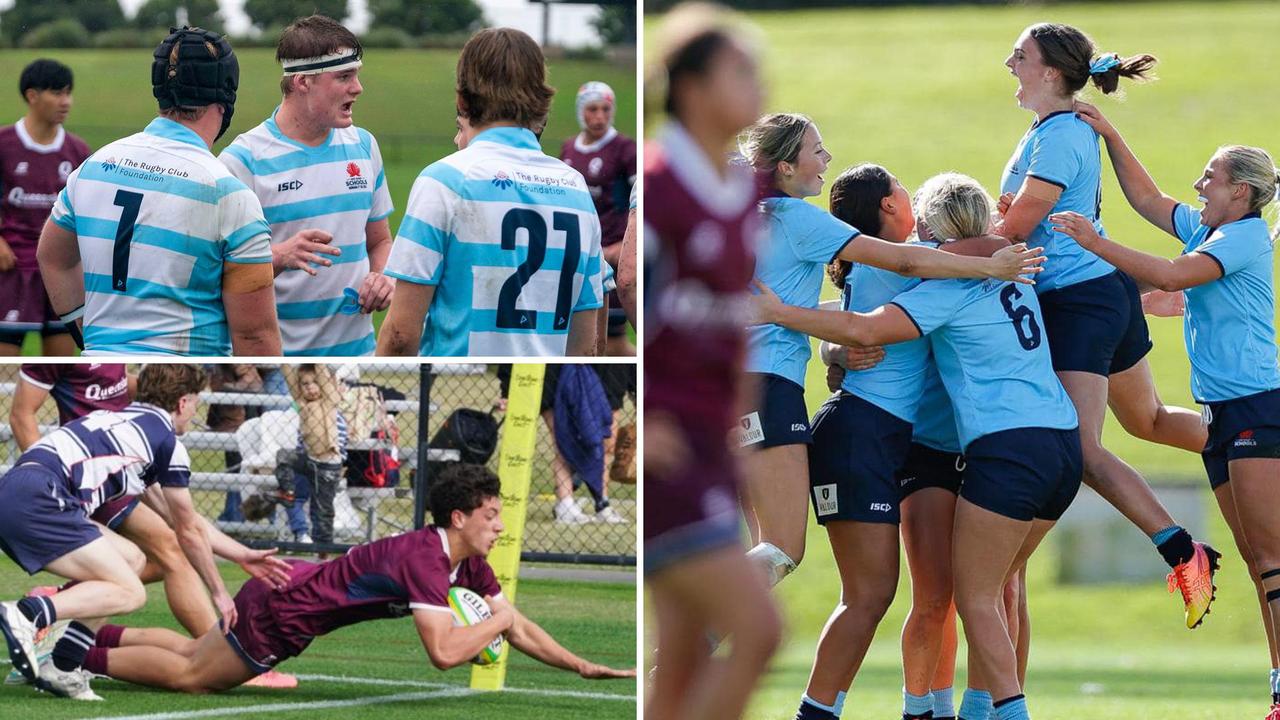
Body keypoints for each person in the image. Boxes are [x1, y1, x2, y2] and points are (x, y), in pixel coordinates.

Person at [753, 173, 1082, 720]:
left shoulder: (912, 259)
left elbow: (857, 317)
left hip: (889, 436)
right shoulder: (908, 259)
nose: (915, 201)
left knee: (909, 596)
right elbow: (868, 317)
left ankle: (917, 711)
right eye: (905, 190)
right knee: (871, 596)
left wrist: (831, 348)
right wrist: (827, 343)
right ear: (890, 205)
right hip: (861, 433)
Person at [737, 112, 1042, 593]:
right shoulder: (794, 216)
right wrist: (991, 263)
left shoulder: (741, 212)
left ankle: (683, 661)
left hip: (731, 382)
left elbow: (831, 307)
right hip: (769, 382)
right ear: (785, 167)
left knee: (759, 545)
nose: (826, 159)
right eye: (817, 150)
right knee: (781, 549)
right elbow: (902, 259)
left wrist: (829, 347)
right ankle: (677, 646)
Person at [1050, 104, 1280, 718]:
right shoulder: (1211, 229)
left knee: (1272, 558)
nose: (1199, 185)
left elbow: (1176, 274)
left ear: (1242, 192)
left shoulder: (1243, 235)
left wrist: (1095, 243)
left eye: (1211, 177)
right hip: (1225, 413)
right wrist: (1109, 132)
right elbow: (1148, 199)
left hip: (1257, 405)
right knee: (1261, 563)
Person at [994, 22, 1217, 627]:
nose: (1009, 62)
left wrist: (932, 254)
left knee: (1083, 452)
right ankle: (1253, 442)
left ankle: (1184, 552)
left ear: (1050, 71)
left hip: (1079, 303)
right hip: (1100, 295)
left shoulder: (1059, 134)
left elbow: (1015, 230)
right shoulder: (1053, 130)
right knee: (1147, 421)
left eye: (1021, 55)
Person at [65, 463, 634, 694]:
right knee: (196, 677)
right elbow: (443, 652)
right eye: (492, 515)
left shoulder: (466, 562)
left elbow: (520, 629)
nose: (501, 525)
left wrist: (580, 664)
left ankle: (82, 636)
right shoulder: (427, 561)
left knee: (195, 651)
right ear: (459, 518)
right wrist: (498, 621)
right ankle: (70, 658)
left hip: (289, 591)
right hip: (286, 609)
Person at [643, 5, 782, 720]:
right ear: (692, 87)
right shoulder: (658, 184)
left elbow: (730, 337)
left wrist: (736, 432)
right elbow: (613, 322)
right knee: (760, 629)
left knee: (683, 656)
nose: (760, 85)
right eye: (741, 71)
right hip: (664, 452)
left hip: (709, 445)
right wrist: (638, 420)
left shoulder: (740, 194)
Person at [35, 27, 282, 356]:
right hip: (186, 381)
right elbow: (254, 337)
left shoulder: (92, 168)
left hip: (103, 367)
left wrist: (90, 334)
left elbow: (52, 257)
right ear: (225, 94)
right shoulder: (229, 195)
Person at [0, 365, 237, 700]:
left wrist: (244, 554)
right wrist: (219, 592)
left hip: (21, 487)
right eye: (196, 402)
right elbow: (187, 528)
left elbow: (185, 522)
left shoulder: (121, 419)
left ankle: (64, 667)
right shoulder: (163, 439)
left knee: (131, 559)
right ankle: (28, 614)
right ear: (183, 402)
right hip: (41, 497)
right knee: (131, 592)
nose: (195, 410)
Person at [378, 27, 604, 357]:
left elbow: (399, 334)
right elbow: (586, 348)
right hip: (535, 393)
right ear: (542, 103)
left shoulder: (444, 181)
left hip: (455, 392)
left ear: (461, 100)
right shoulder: (577, 187)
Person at [219, 15, 394, 356]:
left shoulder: (363, 145)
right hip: (277, 365)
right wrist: (280, 255)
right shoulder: (242, 161)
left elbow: (381, 240)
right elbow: (217, 274)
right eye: (344, 76)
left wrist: (383, 277)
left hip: (357, 357)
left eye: (356, 75)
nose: (358, 88)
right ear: (302, 82)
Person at [0, 60, 91, 356]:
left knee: (61, 371)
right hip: (11, 270)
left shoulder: (78, 152)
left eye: (68, 93)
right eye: (56, 93)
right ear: (32, 96)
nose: (66, 102)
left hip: (60, 271)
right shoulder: (4, 144)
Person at [560, 80, 637, 356]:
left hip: (611, 258)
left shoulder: (625, 149)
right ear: (581, 111)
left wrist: (623, 249)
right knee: (581, 334)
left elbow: (642, 200)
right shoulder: (568, 150)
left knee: (611, 339)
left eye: (606, 109)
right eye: (593, 109)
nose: (600, 117)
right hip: (579, 256)